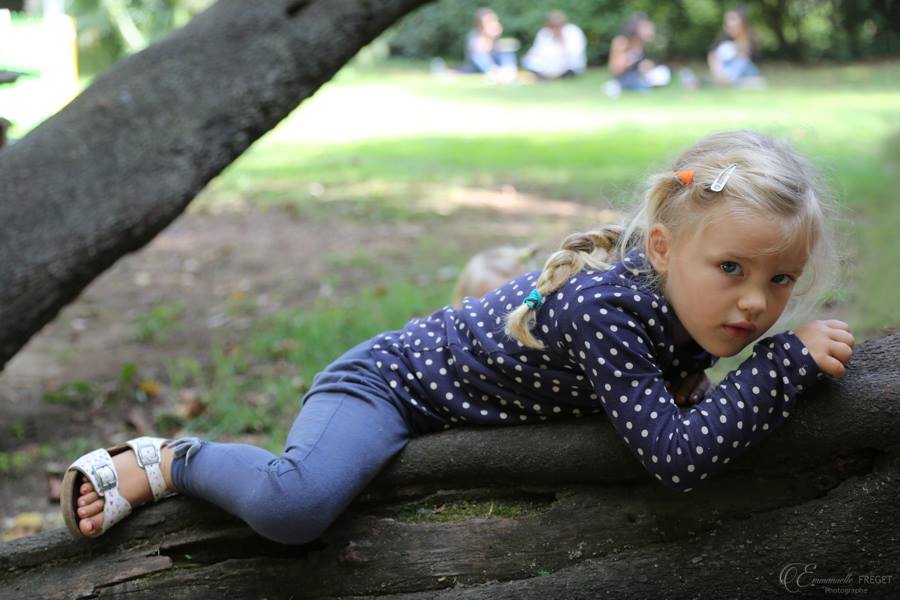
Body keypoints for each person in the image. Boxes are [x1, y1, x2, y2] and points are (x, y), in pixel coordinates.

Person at [62, 130, 854, 543]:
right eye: (732, 269)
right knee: (294, 508)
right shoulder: (607, 311)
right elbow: (678, 457)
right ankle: (170, 460)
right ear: (663, 251)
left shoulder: (688, 309)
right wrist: (782, 364)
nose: (755, 304)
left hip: (456, 410)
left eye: (780, 280)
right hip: (388, 386)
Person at [605, 12, 671, 95]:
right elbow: (615, 69)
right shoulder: (621, 42)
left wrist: (646, 66)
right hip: (624, 77)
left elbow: (645, 65)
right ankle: (617, 86)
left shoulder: (642, 43)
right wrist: (628, 60)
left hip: (640, 75)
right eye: (645, 27)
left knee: (663, 72)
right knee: (636, 82)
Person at [707, 5, 764, 87]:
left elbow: (746, 60)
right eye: (727, 21)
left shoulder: (750, 38)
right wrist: (719, 73)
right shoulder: (724, 39)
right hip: (726, 73)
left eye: (733, 19)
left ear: (742, 22)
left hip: (744, 74)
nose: (729, 24)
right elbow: (713, 54)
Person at [521, 10, 587, 80]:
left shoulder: (573, 31)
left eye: (557, 26)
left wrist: (561, 41)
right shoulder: (544, 33)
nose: (554, 30)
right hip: (547, 65)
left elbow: (575, 55)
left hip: (567, 66)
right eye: (552, 27)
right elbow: (536, 50)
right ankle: (546, 75)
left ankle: (552, 75)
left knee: (570, 68)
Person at [460, 7, 518, 83]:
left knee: (506, 49)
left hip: (496, 62)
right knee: (477, 55)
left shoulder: (495, 34)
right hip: (480, 65)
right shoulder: (475, 36)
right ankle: (493, 72)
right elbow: (476, 52)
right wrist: (487, 37)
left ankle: (509, 71)